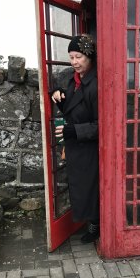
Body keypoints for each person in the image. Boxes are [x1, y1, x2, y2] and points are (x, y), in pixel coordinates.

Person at [51, 35, 100, 243]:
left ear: (89, 56)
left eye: (78, 57)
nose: (74, 62)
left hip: (89, 148)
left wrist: (73, 131)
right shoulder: (75, 80)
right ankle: (89, 222)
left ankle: (95, 225)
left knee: (91, 189)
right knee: (81, 188)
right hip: (76, 146)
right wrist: (59, 96)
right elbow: (73, 108)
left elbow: (102, 125)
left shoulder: (96, 84)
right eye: (71, 57)